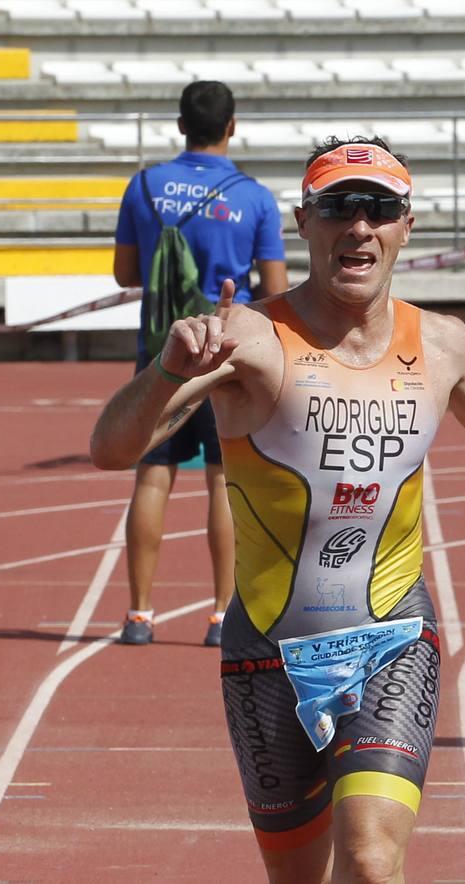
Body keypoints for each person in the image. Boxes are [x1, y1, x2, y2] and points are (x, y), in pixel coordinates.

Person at [90, 136, 465, 883]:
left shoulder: (441, 342)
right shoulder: (247, 338)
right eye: (338, 207)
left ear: (405, 225)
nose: (358, 225)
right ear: (304, 221)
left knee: (369, 859)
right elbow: (110, 447)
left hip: (391, 636)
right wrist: (167, 367)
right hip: (266, 648)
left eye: (379, 208)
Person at [112, 80, 289, 646]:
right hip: (226, 350)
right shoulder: (255, 197)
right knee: (222, 481)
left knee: (153, 476)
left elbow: (125, 274)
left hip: (161, 348)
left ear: (180, 124)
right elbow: (277, 287)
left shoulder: (143, 185)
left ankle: (140, 614)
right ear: (231, 126)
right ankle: (220, 615)